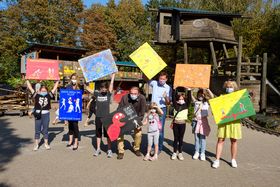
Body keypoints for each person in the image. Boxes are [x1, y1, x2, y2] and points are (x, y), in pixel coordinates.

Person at [212, 80, 242, 169]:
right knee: (220, 140)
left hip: (235, 121)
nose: (229, 88)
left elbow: (243, 108)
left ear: (234, 88)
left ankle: (233, 159)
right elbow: (217, 109)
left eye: (231, 87)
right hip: (224, 121)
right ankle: (217, 160)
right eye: (228, 87)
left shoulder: (238, 97)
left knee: (234, 140)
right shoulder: (222, 97)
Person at [86, 73, 115, 158]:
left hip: (107, 117)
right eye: (102, 88)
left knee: (108, 134)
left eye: (105, 88)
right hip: (98, 117)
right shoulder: (97, 94)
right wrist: (86, 79)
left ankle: (109, 150)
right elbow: (87, 88)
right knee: (98, 134)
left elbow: (111, 85)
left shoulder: (108, 94)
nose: (103, 89)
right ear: (100, 88)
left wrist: (112, 77)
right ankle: (98, 149)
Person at [26, 79, 59, 151]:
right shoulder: (36, 95)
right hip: (38, 114)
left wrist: (57, 81)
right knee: (37, 130)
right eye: (42, 91)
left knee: (45, 130)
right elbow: (30, 88)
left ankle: (46, 144)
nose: (43, 92)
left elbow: (54, 88)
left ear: (47, 91)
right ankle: (36, 144)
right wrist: (27, 80)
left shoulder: (49, 95)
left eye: (45, 91)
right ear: (39, 91)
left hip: (46, 114)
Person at [117, 86, 147, 159]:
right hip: (125, 118)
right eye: (131, 93)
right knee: (119, 134)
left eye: (135, 93)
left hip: (136, 118)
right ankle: (121, 151)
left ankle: (136, 148)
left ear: (138, 94)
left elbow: (142, 112)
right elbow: (119, 109)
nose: (133, 95)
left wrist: (138, 122)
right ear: (129, 93)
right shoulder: (124, 97)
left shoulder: (142, 98)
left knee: (138, 134)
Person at [149, 71, 172, 153]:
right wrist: (144, 69)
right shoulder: (154, 83)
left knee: (160, 129)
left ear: (166, 79)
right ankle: (152, 147)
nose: (161, 80)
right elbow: (145, 79)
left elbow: (168, 103)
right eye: (160, 78)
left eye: (163, 79)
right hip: (153, 109)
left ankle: (159, 148)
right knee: (152, 128)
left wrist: (166, 97)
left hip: (162, 110)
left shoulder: (168, 88)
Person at [191, 88, 214, 161]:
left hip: (203, 122)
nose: (200, 96)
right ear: (197, 95)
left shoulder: (206, 102)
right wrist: (191, 89)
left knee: (203, 138)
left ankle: (202, 153)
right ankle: (197, 152)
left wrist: (208, 89)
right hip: (195, 121)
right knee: (196, 138)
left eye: (202, 94)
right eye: (199, 94)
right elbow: (190, 95)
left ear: (204, 95)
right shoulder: (195, 101)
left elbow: (212, 97)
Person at [170, 88, 191, 160]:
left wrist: (189, 90)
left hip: (182, 124)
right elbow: (173, 98)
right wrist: (174, 90)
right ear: (177, 99)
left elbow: (189, 100)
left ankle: (180, 153)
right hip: (176, 123)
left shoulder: (186, 105)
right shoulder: (176, 105)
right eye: (180, 99)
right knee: (176, 138)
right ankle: (174, 152)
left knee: (181, 138)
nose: (181, 100)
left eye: (182, 99)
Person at [65, 73, 81, 150]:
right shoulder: (68, 87)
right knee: (70, 125)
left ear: (76, 79)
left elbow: (81, 96)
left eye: (75, 78)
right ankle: (70, 140)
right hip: (70, 108)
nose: (73, 79)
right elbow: (65, 96)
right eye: (72, 78)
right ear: (71, 79)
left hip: (76, 109)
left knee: (75, 125)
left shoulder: (79, 87)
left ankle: (76, 141)